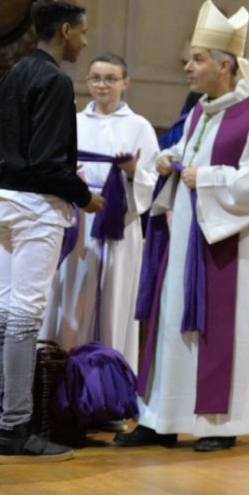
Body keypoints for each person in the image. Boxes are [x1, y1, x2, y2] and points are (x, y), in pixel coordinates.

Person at [116, 0, 249, 451]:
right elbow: (186, 163)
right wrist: (167, 164)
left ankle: (217, 423)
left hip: (225, 244)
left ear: (226, 64)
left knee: (216, 330)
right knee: (172, 324)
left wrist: (206, 178)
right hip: (186, 241)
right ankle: (160, 418)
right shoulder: (198, 113)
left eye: (198, 59)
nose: (188, 67)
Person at [0, 0, 105, 464]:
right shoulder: (53, 80)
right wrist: (83, 195)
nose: (85, 41)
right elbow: (49, 163)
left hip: (1, 202)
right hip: (34, 209)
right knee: (25, 318)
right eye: (83, 31)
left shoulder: (10, 75)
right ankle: (14, 431)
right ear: (66, 31)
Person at [41, 53, 159, 374]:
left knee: (114, 301)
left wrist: (134, 171)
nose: (102, 85)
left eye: (110, 79)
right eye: (95, 78)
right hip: (78, 217)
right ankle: (65, 381)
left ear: (125, 83)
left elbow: (152, 181)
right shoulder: (73, 122)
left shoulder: (140, 127)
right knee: (71, 296)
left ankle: (109, 384)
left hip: (119, 219)